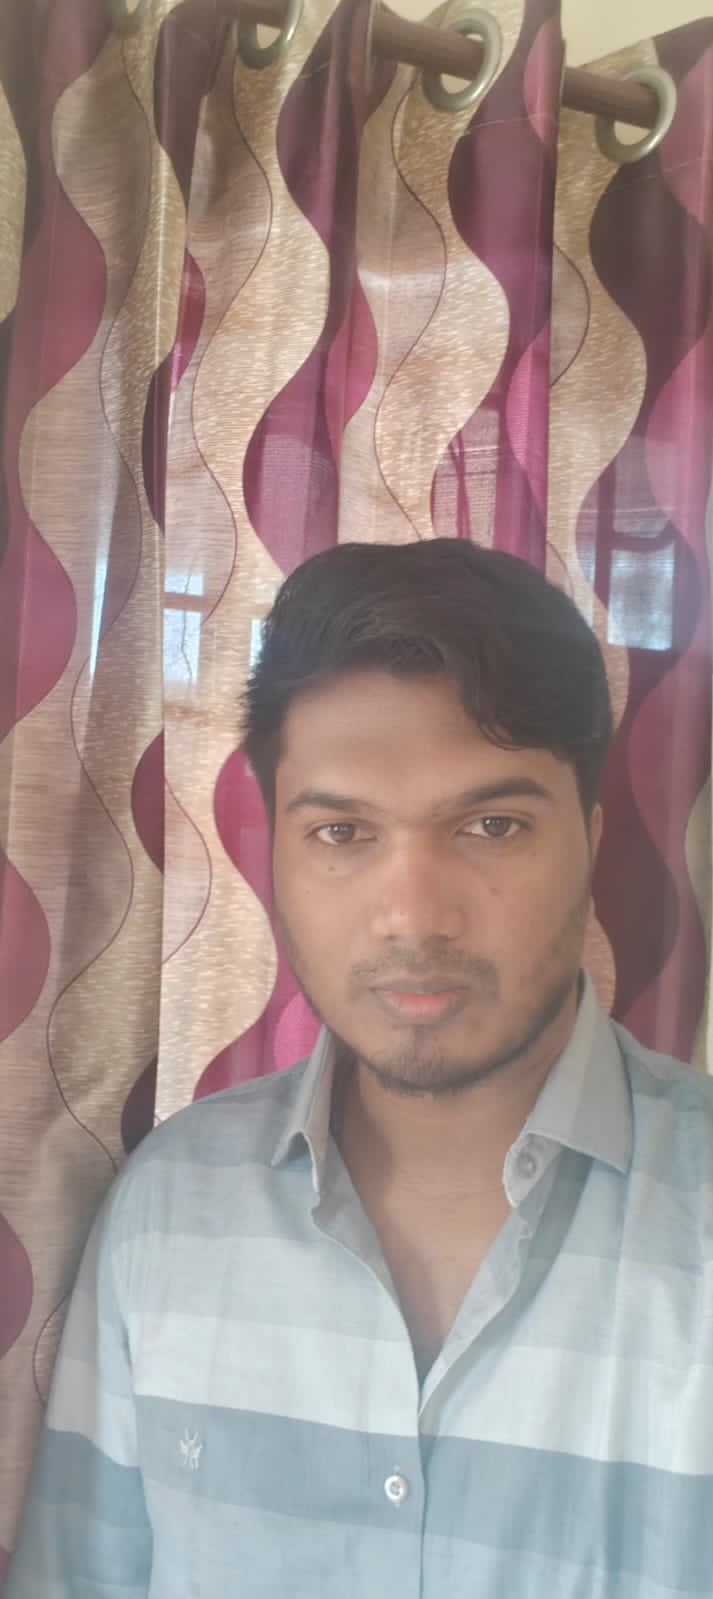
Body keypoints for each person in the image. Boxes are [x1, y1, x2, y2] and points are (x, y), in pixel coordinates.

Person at [6, 538, 713, 1598]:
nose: (413, 916)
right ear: (275, 859)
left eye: (491, 825)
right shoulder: (169, 1210)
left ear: (591, 837)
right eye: (341, 831)